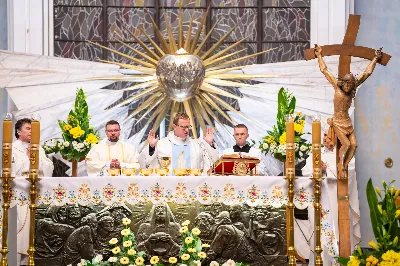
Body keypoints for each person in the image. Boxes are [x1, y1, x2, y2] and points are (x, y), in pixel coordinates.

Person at [314, 44, 382, 179]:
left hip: (347, 122)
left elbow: (367, 73)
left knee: (354, 145)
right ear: (343, 82)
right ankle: (341, 164)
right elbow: (325, 70)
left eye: (351, 84)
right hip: (338, 121)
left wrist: (375, 59)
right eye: (346, 83)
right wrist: (319, 55)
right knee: (346, 144)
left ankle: (343, 165)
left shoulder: (352, 90)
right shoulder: (337, 88)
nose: (348, 86)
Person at [300, 129, 360, 264]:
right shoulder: (316, 154)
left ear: (338, 137)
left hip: (338, 202)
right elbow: (306, 172)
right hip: (319, 199)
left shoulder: (345, 155)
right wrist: (318, 171)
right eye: (324, 135)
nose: (325, 138)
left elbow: (349, 172)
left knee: (338, 233)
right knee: (320, 234)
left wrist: (327, 170)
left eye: (329, 135)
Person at [12, 118, 54, 265]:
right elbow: (12, 169)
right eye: (28, 129)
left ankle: (36, 258)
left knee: (39, 224)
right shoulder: (12, 148)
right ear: (18, 132)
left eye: (33, 129)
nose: (32, 132)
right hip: (20, 191)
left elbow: (48, 167)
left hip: (38, 190)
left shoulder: (38, 147)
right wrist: (30, 160)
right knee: (21, 224)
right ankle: (21, 260)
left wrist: (38, 160)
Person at [138, 112, 219, 174]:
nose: (186, 130)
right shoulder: (161, 144)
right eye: (183, 127)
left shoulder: (197, 145)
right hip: (167, 189)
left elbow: (213, 164)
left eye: (188, 127)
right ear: (175, 126)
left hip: (193, 188)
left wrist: (210, 144)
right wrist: (151, 147)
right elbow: (144, 164)